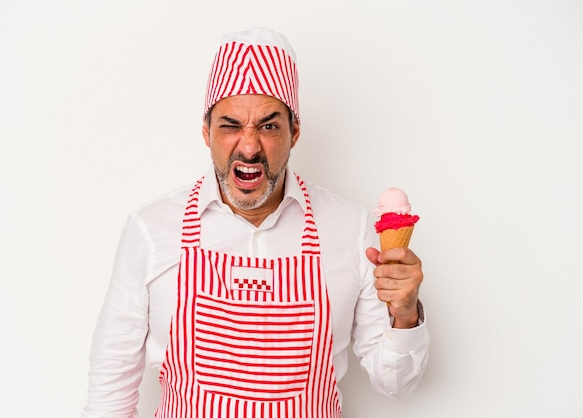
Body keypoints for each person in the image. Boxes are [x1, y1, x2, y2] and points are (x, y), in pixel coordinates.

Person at [82, 27, 429, 418]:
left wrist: (405, 314)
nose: (249, 147)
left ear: (294, 132)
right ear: (206, 132)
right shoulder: (152, 229)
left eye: (268, 126)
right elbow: (110, 386)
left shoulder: (350, 228)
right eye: (230, 125)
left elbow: (396, 384)